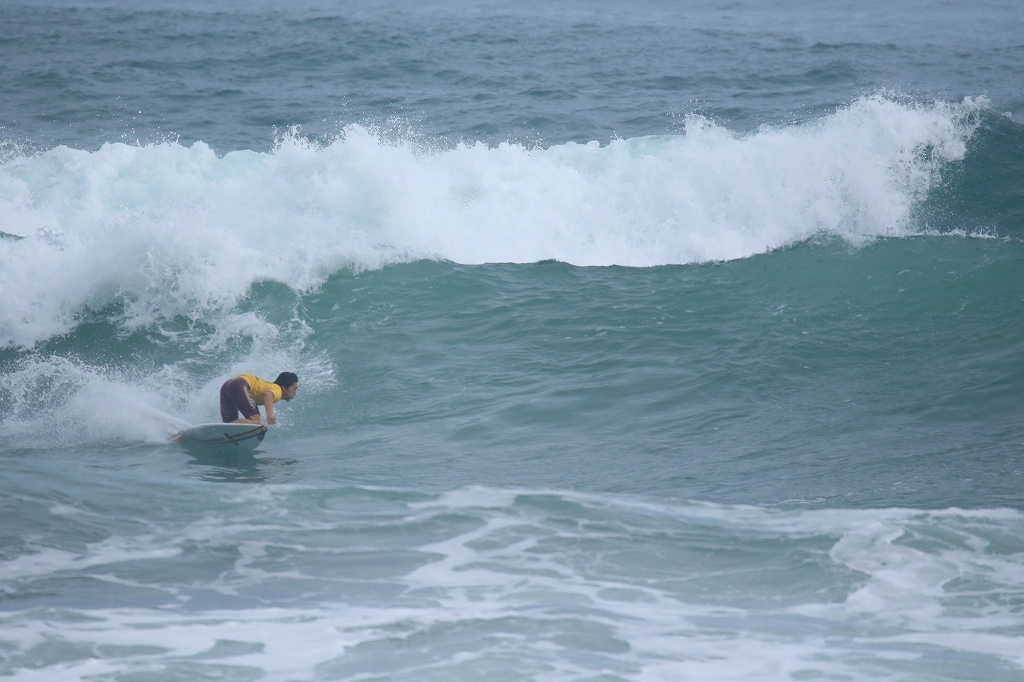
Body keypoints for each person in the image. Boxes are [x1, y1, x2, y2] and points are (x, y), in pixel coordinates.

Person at [219, 372, 298, 425]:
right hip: (239, 385)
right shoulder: (278, 390)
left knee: (229, 425)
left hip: (227, 385)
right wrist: (270, 414)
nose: (295, 393)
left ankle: (219, 434)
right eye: (294, 389)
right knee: (256, 423)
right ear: (284, 387)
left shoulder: (270, 386)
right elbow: (268, 395)